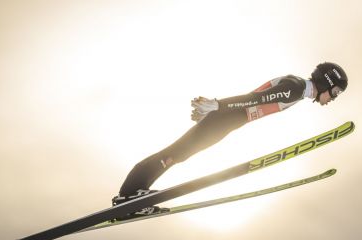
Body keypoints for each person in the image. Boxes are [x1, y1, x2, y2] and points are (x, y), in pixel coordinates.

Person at [111, 62, 348, 219]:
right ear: (327, 82)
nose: (333, 99)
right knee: (176, 153)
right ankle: (129, 195)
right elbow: (254, 99)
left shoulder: (296, 87)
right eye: (335, 92)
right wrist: (218, 106)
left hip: (229, 120)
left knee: (178, 154)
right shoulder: (296, 89)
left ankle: (134, 194)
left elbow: (255, 100)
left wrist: (217, 110)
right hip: (228, 118)